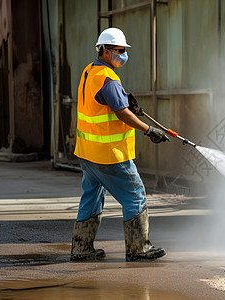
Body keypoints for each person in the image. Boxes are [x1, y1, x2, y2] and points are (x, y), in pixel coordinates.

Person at [70, 27, 168, 262]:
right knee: (135, 196)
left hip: (87, 152)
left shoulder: (89, 72)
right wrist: (149, 130)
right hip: (110, 155)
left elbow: (105, 105)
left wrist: (125, 101)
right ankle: (138, 248)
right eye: (118, 50)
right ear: (103, 50)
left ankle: (81, 249)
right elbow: (121, 113)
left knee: (91, 197)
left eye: (124, 50)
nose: (123, 55)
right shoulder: (108, 79)